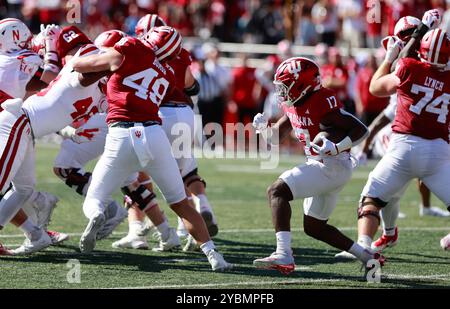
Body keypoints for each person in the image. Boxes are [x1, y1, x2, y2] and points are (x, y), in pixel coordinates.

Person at [72, 26, 232, 271]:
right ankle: (214, 256)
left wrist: (76, 58)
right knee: (181, 203)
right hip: (154, 134)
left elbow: (83, 66)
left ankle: (97, 215)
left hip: (121, 134)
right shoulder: (167, 72)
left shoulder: (132, 48)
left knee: (94, 197)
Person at [251, 57, 384, 275]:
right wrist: (264, 129)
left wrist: (338, 146)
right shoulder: (295, 103)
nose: (283, 91)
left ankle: (284, 254)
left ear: (302, 85)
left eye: (287, 86)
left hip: (331, 164)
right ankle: (368, 256)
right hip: (325, 166)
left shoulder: (322, 99)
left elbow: (361, 129)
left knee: (277, 190)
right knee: (314, 227)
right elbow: (276, 138)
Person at [354, 19, 450, 257]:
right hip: (439, 153)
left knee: (371, 199)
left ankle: (365, 245)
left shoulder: (409, 68)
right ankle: (389, 233)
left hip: (404, 148)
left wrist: (389, 57)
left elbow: (375, 87)